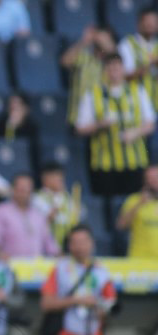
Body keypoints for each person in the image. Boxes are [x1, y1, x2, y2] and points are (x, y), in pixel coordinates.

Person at [75, 53, 155, 197]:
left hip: (135, 160)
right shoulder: (93, 94)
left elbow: (150, 123)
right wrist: (100, 124)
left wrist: (135, 133)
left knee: (133, 200)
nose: (114, 72)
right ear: (105, 70)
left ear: (123, 69)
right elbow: (80, 128)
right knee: (108, 204)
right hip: (103, 162)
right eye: (110, 68)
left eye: (117, 68)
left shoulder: (138, 91)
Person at [0, 174, 59, 258]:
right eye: (21, 189)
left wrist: (57, 255)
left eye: (28, 189)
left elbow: (49, 244)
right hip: (8, 266)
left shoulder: (38, 215)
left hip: (37, 268)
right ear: (13, 189)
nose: (25, 193)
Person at [62, 27, 116, 124]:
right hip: (79, 119)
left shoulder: (111, 63)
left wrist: (108, 46)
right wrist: (84, 41)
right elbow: (65, 61)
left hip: (103, 119)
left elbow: (121, 70)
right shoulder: (84, 57)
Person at [33, 163, 83, 249]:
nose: (60, 179)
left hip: (67, 247)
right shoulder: (37, 198)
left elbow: (76, 219)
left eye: (61, 176)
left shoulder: (68, 198)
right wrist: (56, 199)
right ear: (45, 178)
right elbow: (45, 220)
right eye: (56, 176)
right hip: (46, 247)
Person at [118, 8, 158, 109]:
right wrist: (150, 64)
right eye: (147, 21)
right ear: (139, 23)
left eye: (154, 22)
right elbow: (124, 76)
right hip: (136, 105)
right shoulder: (127, 44)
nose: (151, 25)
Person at [117, 165, 158, 258]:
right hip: (139, 259)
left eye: (157, 177)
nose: (154, 181)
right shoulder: (134, 200)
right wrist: (139, 204)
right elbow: (121, 225)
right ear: (145, 181)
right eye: (151, 178)